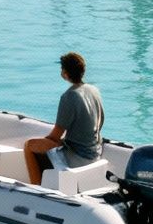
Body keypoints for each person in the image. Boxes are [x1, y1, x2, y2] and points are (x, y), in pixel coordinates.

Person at [26, 52, 104, 185]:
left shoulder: (69, 96)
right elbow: (100, 123)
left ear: (65, 73)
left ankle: (36, 188)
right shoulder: (94, 90)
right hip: (96, 152)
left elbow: (55, 136)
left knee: (29, 146)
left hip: (78, 156)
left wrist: (45, 143)